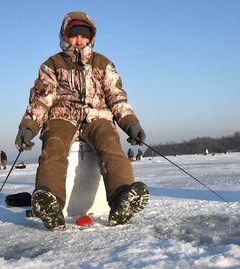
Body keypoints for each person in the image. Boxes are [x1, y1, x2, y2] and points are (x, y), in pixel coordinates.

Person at [14, 11, 149, 230]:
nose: (79, 40)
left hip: (97, 115)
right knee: (54, 146)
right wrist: (28, 127)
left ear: (91, 37)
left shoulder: (103, 63)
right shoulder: (52, 64)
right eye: (74, 35)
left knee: (110, 146)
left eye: (84, 36)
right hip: (62, 116)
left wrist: (131, 123)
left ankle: (122, 197)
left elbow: (116, 96)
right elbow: (42, 99)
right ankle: (51, 203)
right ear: (65, 36)